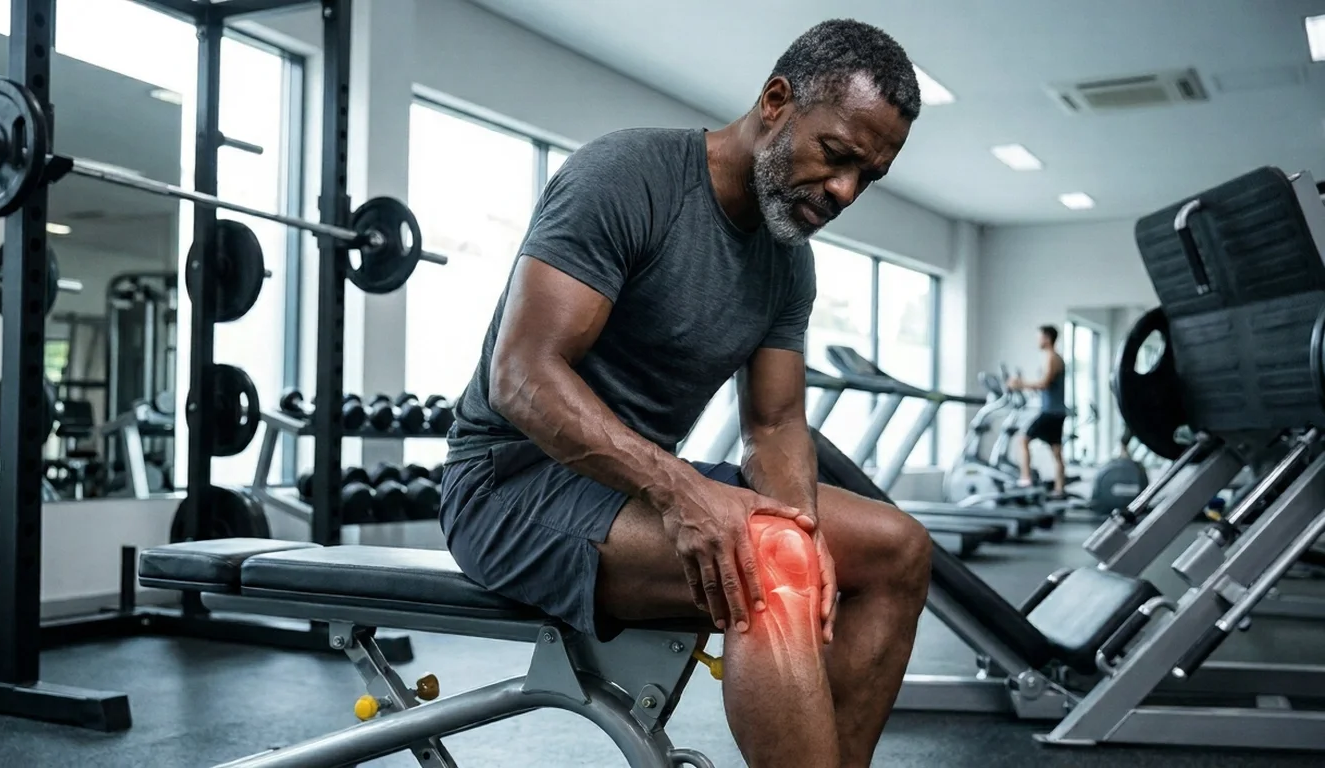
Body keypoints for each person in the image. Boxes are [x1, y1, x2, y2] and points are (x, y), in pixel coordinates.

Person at [439, 19, 930, 768]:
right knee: (773, 560)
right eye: (836, 156)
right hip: (510, 488)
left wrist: (802, 520)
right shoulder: (628, 175)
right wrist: (687, 495)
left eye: (868, 176)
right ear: (775, 101)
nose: (844, 190)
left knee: (897, 549)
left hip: (630, 493)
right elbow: (523, 376)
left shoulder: (788, 260)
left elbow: (774, 424)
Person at [1007, 325, 1068, 496]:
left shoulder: (1052, 358)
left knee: (1023, 440)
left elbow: (1044, 383)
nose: (1037, 340)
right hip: (1056, 411)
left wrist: (1020, 384)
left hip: (1050, 412)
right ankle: (1059, 488)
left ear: (1047, 338)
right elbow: (1046, 385)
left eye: (1039, 337)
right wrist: (1028, 386)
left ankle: (1025, 479)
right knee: (1057, 452)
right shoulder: (1052, 358)